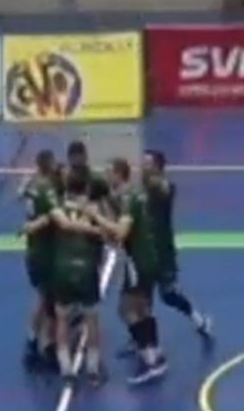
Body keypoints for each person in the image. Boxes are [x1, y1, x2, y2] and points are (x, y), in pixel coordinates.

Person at [107, 159, 169, 385]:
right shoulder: (135, 195)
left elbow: (121, 232)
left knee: (126, 310)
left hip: (138, 262)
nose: (106, 177)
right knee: (143, 308)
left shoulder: (129, 199)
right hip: (149, 257)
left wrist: (96, 218)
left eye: (109, 172)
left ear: (118, 174)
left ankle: (150, 360)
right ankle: (157, 351)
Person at [142, 149, 213, 339]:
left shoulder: (165, 186)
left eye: (147, 163)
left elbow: (165, 190)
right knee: (141, 295)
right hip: (143, 248)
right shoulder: (143, 187)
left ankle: (198, 319)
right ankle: (143, 338)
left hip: (162, 250)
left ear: (157, 167)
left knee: (168, 294)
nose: (143, 167)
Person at [50, 169, 112, 385]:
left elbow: (61, 225)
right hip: (86, 269)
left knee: (62, 318)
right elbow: (108, 234)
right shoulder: (94, 209)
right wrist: (94, 229)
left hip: (63, 268)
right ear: (86, 188)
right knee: (91, 319)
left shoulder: (57, 206)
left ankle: (66, 368)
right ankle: (93, 368)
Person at [19, 149, 64, 372]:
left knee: (42, 300)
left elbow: (20, 195)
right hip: (46, 254)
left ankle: (32, 342)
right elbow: (59, 217)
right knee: (52, 305)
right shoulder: (46, 189)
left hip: (33, 251)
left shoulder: (33, 186)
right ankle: (49, 347)